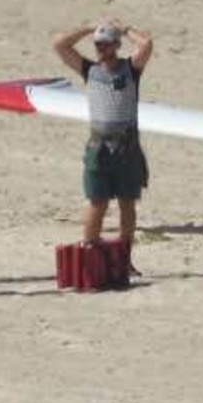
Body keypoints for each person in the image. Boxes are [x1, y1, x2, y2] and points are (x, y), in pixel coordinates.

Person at [52, 19, 154, 267]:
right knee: (97, 202)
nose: (100, 48)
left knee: (127, 204)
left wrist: (126, 29)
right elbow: (60, 44)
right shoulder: (89, 69)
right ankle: (89, 257)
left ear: (116, 45)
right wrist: (87, 27)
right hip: (98, 148)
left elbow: (147, 44)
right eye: (98, 44)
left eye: (106, 44)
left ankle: (125, 259)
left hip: (127, 148)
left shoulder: (130, 69)